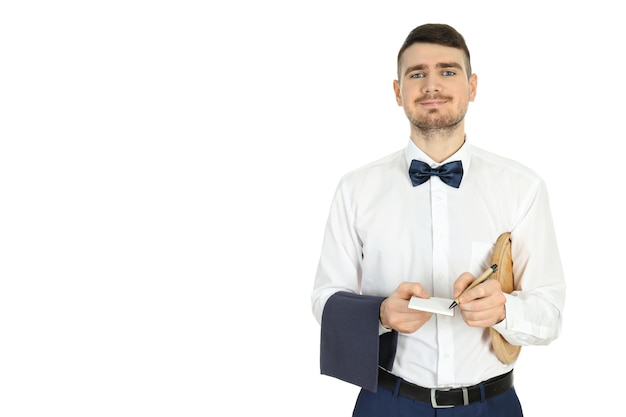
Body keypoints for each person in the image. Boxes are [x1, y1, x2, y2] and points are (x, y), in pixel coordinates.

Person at [311, 23, 565, 416]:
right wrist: (379, 314)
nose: (432, 85)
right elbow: (325, 299)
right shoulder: (355, 189)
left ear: (473, 86)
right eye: (417, 74)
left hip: (491, 405)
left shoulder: (522, 187)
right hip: (386, 403)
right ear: (398, 92)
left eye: (448, 71)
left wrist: (503, 311)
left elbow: (550, 312)